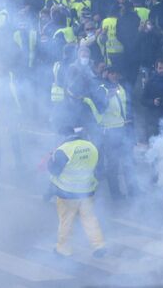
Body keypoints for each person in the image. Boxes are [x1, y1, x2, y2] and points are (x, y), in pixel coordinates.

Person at [47, 126, 106, 257]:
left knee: (66, 221)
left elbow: (54, 171)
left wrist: (50, 160)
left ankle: (63, 249)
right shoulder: (91, 146)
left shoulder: (63, 150)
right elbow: (100, 169)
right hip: (86, 191)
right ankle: (99, 245)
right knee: (89, 218)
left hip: (67, 193)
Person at [95, 66, 135, 199]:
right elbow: (98, 109)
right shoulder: (102, 89)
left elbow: (127, 107)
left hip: (123, 130)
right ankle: (115, 193)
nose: (115, 75)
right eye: (112, 73)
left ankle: (133, 189)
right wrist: (106, 98)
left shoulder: (122, 87)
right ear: (107, 74)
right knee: (113, 164)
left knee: (128, 162)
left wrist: (131, 125)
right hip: (110, 132)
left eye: (117, 73)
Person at [141, 58, 163, 139]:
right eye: (160, 68)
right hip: (154, 118)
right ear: (156, 69)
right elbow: (142, 100)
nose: (162, 70)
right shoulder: (150, 82)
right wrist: (153, 102)